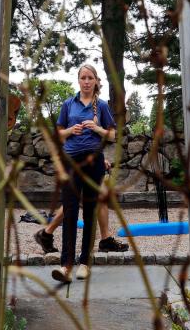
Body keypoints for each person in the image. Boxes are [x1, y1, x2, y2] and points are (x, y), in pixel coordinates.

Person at [50, 63, 116, 283]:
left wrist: (97, 129)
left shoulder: (103, 106)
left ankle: (85, 263)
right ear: (78, 81)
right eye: (83, 78)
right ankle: (65, 266)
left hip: (94, 163)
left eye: (90, 78)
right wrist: (71, 130)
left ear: (96, 81)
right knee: (69, 211)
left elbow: (113, 136)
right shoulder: (68, 104)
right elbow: (58, 135)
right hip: (71, 162)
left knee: (89, 212)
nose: (87, 81)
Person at [33, 162, 130, 254]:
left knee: (98, 194)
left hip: (83, 156)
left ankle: (106, 240)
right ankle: (46, 234)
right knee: (78, 198)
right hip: (80, 156)